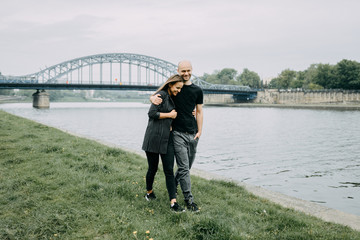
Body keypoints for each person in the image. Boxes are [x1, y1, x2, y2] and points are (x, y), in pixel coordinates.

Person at [150, 60, 204, 212]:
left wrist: (200, 131)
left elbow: (199, 111)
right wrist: (151, 97)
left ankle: (172, 187)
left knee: (186, 168)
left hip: (193, 134)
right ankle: (189, 200)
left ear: (192, 70)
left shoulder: (197, 90)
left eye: (188, 70)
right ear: (178, 71)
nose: (186, 73)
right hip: (178, 133)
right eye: (183, 71)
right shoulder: (174, 88)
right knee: (184, 168)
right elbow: (158, 94)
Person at [142, 74, 185, 212]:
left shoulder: (175, 97)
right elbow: (152, 113)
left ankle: (173, 203)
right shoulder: (160, 95)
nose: (178, 91)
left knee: (169, 171)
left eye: (180, 89)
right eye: (177, 88)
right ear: (170, 85)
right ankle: (149, 193)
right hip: (153, 138)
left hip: (168, 139)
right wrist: (169, 116)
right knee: (152, 168)